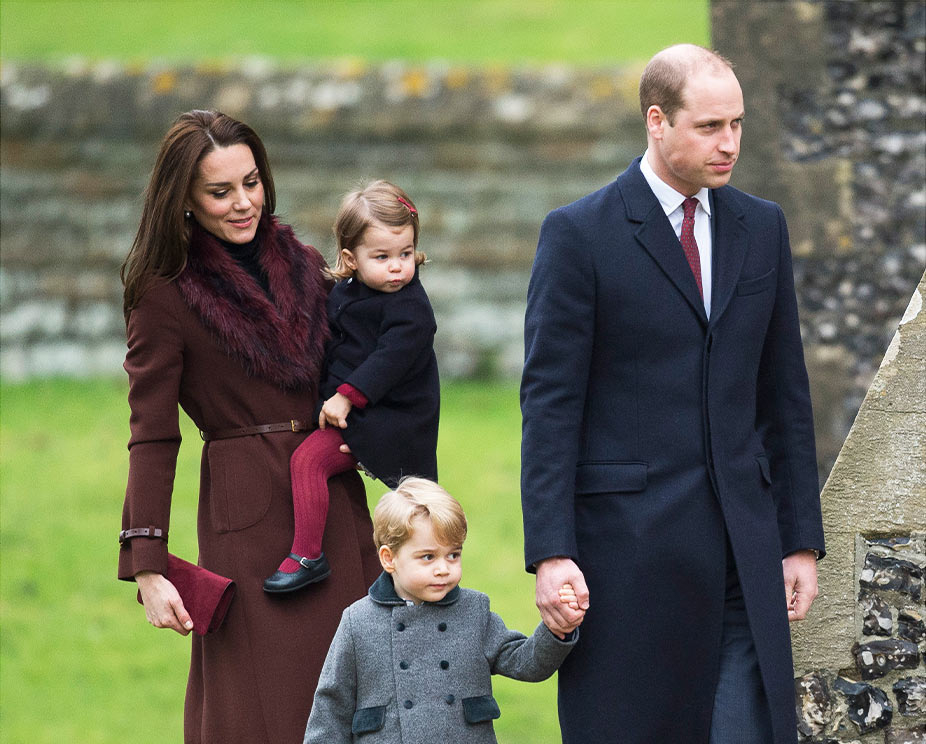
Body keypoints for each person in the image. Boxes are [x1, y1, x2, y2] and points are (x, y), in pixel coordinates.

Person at [520, 44, 825, 743]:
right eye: (710, 126)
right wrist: (552, 549)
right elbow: (550, 405)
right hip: (628, 555)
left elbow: (786, 395)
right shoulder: (578, 235)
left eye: (738, 125)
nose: (730, 143)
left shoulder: (763, 228)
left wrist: (799, 540)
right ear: (657, 121)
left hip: (746, 553)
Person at [118, 109, 381, 743]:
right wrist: (147, 562)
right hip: (247, 513)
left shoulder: (309, 262)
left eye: (252, 182)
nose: (244, 204)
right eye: (220, 191)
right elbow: (151, 433)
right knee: (270, 704)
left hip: (334, 497)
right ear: (183, 198)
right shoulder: (164, 293)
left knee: (367, 696)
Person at [304, 477, 581, 743]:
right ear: (389, 559)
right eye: (428, 557)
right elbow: (331, 706)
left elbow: (526, 662)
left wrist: (557, 630)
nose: (443, 568)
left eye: (454, 554)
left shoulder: (474, 610)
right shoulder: (358, 621)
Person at [264, 181, 440, 594]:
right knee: (406, 506)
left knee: (413, 504)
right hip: (357, 416)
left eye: (405, 254)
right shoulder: (344, 293)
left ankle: (308, 556)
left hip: (392, 420)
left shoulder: (411, 308)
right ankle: (395, 576)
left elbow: (389, 360)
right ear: (350, 258)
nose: (397, 266)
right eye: (382, 257)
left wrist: (345, 397)